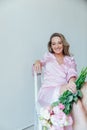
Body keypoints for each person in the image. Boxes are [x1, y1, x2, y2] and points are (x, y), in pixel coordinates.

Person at [33, 33, 87, 130]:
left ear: (63, 44)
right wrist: (37, 61)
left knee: (85, 86)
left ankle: (84, 119)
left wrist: (72, 82)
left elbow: (72, 74)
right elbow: (40, 62)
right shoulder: (48, 56)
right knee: (73, 94)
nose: (57, 46)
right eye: (54, 44)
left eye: (59, 43)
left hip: (64, 89)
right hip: (48, 92)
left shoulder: (69, 59)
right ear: (51, 45)